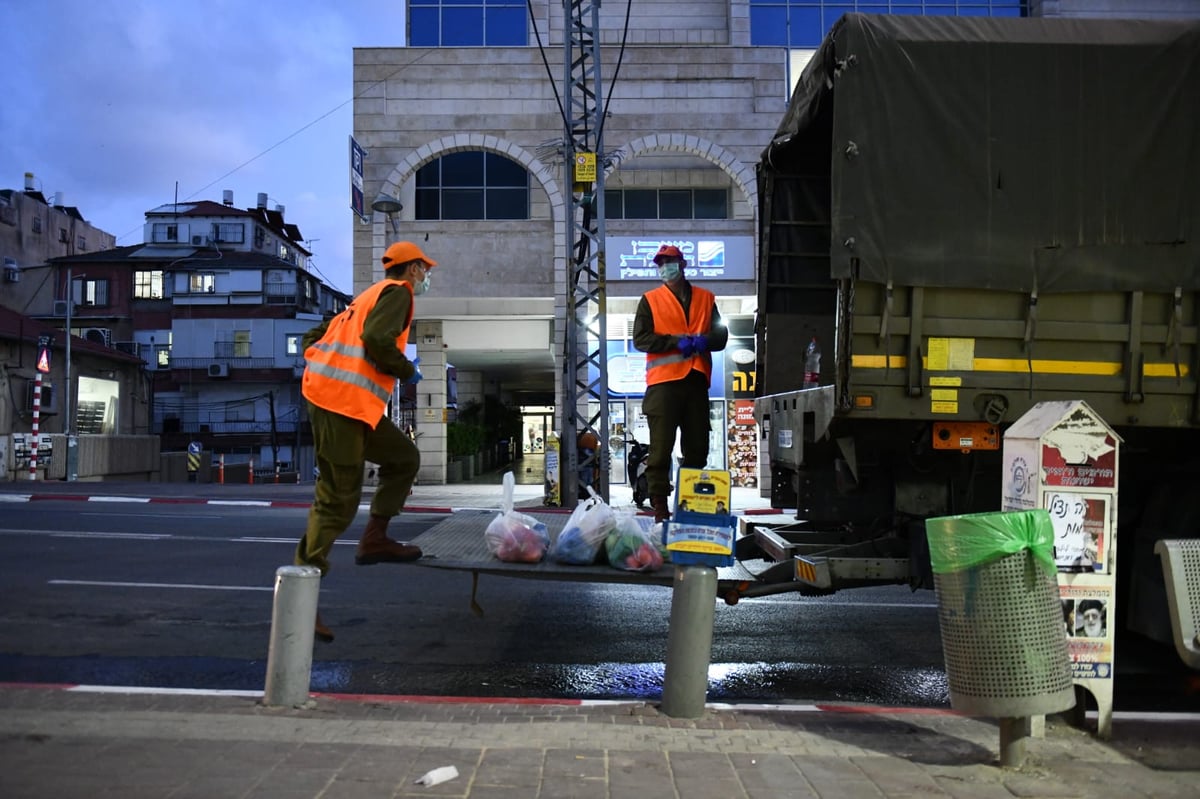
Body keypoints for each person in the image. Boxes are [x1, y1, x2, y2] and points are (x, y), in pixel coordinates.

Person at [294, 240, 437, 643]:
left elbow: (316, 335)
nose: (426, 277)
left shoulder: (366, 296)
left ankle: (374, 539)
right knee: (336, 501)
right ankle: (302, 600)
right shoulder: (399, 294)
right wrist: (405, 369)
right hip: (338, 405)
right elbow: (377, 338)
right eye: (424, 270)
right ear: (411, 270)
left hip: (354, 406)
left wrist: (321, 362)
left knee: (404, 457)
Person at [633, 244, 728, 522]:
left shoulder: (705, 298)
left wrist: (703, 341)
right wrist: (676, 342)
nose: (665, 267)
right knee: (660, 450)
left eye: (670, 261)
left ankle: (690, 507)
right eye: (661, 263)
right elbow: (641, 339)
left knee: (697, 447)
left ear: (682, 264)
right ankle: (661, 511)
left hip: (696, 381)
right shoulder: (650, 299)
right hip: (663, 385)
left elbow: (720, 336)